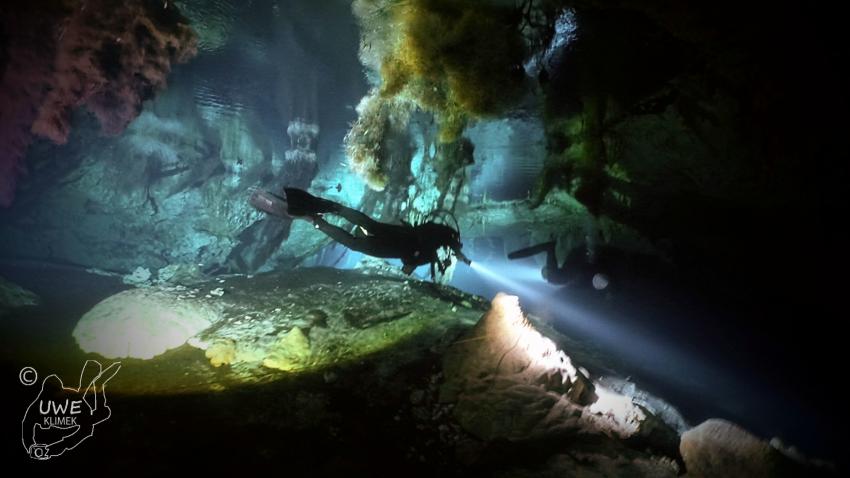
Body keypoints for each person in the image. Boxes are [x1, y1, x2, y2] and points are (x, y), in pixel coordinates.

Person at [250, 187, 471, 279]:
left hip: (400, 234)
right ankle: (316, 220)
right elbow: (409, 261)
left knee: (370, 225)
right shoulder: (438, 250)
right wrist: (406, 272)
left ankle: (330, 208)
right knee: (355, 243)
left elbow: (422, 238)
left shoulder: (442, 237)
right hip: (394, 246)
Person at [508, 239, 611, 291]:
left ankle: (512, 256)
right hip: (566, 274)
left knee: (551, 248)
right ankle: (512, 256)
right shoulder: (555, 277)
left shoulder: (561, 277)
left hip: (569, 273)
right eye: (545, 269)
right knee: (550, 248)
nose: (546, 266)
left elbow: (579, 267)